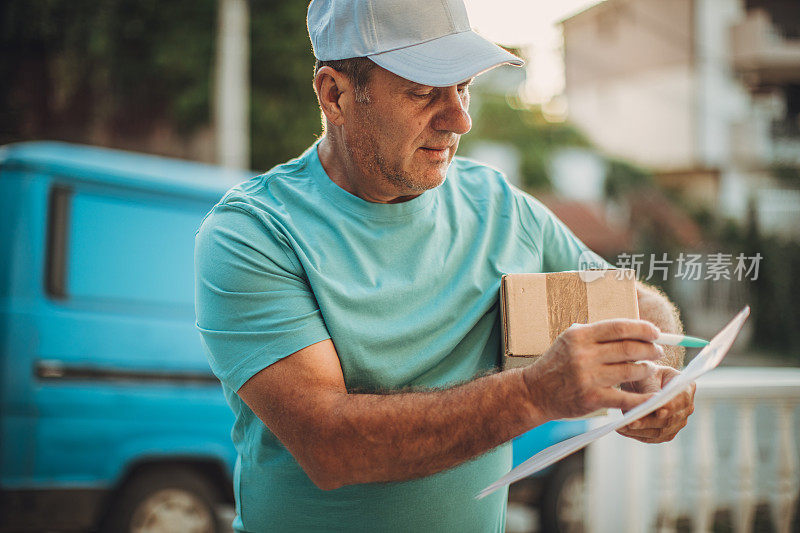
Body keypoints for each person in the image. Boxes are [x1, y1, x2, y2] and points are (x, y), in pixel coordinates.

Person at [194, 0, 696, 531]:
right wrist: (532, 394)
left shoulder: (499, 206)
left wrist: (655, 375)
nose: (461, 118)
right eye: (424, 91)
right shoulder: (253, 233)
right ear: (334, 95)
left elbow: (637, 306)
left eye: (463, 88)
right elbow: (332, 445)